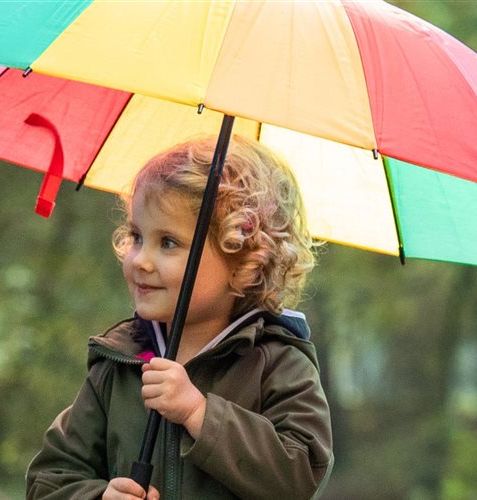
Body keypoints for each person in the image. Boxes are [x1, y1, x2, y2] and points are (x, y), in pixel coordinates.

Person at [26, 135, 332, 500]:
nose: (140, 259)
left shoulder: (277, 363)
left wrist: (200, 414)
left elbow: (301, 474)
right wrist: (99, 496)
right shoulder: (121, 363)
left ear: (243, 261)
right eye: (137, 236)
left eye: (168, 242)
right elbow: (50, 479)